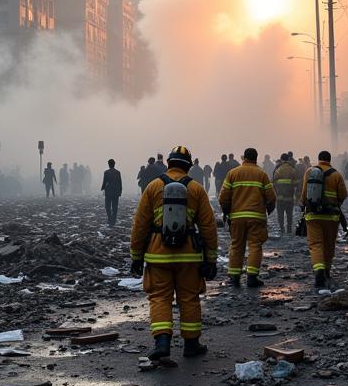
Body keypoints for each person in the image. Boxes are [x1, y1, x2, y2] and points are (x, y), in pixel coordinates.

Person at [130, 145, 218, 361]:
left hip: (158, 254)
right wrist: (211, 259)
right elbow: (208, 227)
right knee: (189, 298)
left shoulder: (153, 187)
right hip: (189, 256)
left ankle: (162, 342)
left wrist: (136, 256)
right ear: (188, 165)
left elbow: (140, 224)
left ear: (168, 163)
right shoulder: (196, 189)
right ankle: (191, 344)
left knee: (159, 297)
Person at [219, 147, 276, 288]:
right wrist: (268, 210)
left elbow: (223, 197)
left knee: (236, 245)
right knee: (255, 246)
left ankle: (234, 277)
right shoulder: (262, 174)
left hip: (237, 217)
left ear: (244, 157)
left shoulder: (233, 173)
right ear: (256, 158)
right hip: (256, 217)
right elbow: (271, 197)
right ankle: (252, 277)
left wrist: (227, 212)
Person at [300, 150, 348, 290]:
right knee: (329, 244)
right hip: (331, 217)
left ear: (319, 159)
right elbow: (343, 195)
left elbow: (304, 194)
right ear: (329, 160)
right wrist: (334, 203)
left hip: (313, 215)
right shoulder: (336, 174)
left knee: (315, 244)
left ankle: (318, 272)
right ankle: (327, 271)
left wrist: (304, 205)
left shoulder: (309, 172)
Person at [272, 153, 298, 236]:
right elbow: (296, 183)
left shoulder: (278, 170)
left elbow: (274, 182)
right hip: (289, 197)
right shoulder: (292, 169)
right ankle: (289, 229)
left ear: (281, 159)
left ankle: (282, 229)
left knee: (280, 214)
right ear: (288, 159)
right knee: (289, 214)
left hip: (280, 197)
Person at [101, 158, 123, 226]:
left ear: (109, 164)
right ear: (114, 164)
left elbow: (104, 181)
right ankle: (113, 220)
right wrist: (120, 191)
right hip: (116, 191)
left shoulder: (106, 172)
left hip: (108, 191)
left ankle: (110, 218)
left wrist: (102, 188)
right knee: (115, 206)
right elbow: (120, 182)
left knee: (107, 206)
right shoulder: (118, 172)